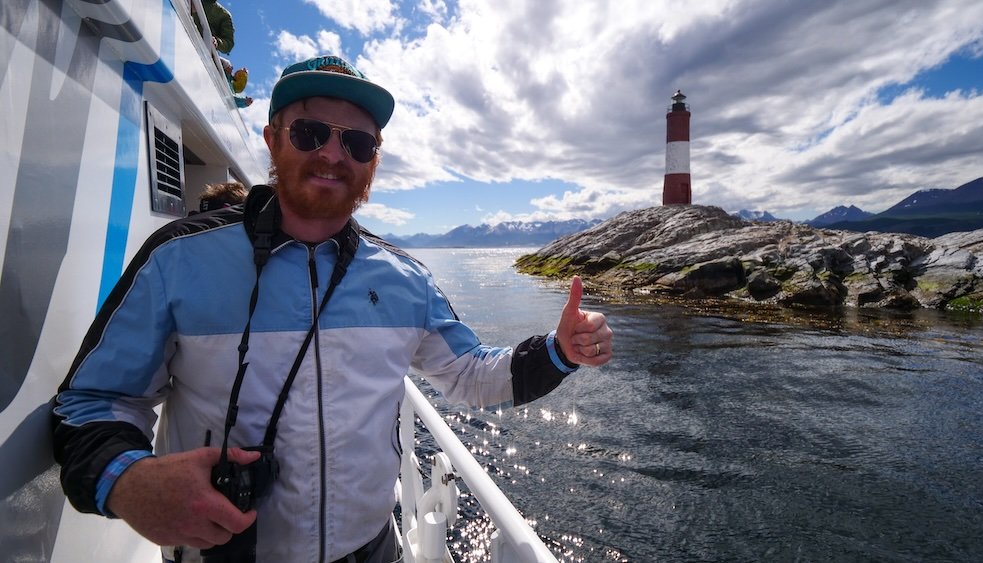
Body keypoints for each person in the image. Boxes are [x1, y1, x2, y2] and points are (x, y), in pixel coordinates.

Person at [51, 54, 614, 563]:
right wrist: (128, 481)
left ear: (373, 163)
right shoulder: (177, 259)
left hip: (372, 553)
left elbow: (469, 376)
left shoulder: (404, 279)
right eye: (311, 132)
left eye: (358, 144)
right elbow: (91, 401)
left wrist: (559, 352)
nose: (332, 153)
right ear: (273, 140)